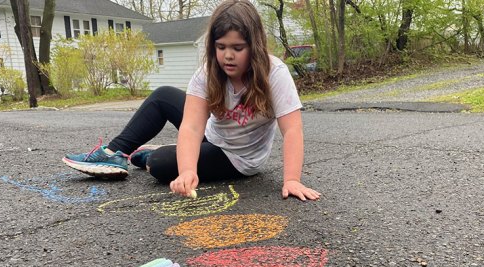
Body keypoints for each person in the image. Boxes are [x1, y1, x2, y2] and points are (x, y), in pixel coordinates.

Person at [63, 0, 320, 201]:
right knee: (163, 95)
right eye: (221, 47)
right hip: (211, 136)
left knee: (160, 164)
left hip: (236, 157)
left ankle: (151, 155)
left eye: (237, 48)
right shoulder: (208, 73)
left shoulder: (274, 73)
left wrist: (292, 180)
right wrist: (188, 171)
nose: (228, 56)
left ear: (255, 47)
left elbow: (292, 129)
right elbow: (192, 126)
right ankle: (113, 154)